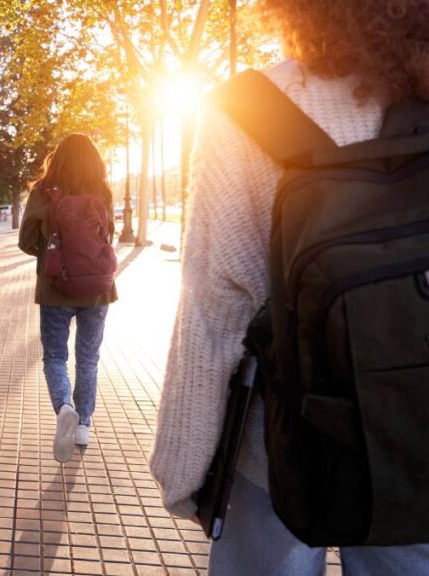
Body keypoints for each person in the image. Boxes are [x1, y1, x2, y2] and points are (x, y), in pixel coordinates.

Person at [150, 1, 429, 574]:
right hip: (414, 438)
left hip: (278, 449)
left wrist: (185, 469)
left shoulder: (248, 109)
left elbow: (215, 307)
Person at [18, 134, 117, 462]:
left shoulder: (43, 191)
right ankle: (84, 424)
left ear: (56, 158)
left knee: (55, 357)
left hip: (55, 288)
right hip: (97, 288)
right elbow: (109, 234)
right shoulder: (102, 191)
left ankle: (64, 407)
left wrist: (53, 255)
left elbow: (26, 240)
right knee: (88, 358)